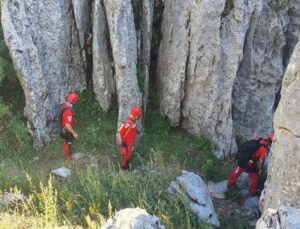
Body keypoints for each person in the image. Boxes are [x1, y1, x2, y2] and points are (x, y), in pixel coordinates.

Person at [119, 106, 142, 170]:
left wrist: (135, 131)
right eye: (138, 116)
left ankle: (127, 164)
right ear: (135, 115)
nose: (139, 117)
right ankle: (123, 167)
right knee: (128, 154)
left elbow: (131, 129)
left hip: (131, 141)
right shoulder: (129, 122)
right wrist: (124, 142)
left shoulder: (133, 120)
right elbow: (121, 132)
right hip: (128, 142)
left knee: (130, 154)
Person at [60, 92, 79, 161]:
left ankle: (68, 155)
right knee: (67, 143)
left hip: (63, 129)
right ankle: (68, 158)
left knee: (67, 142)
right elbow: (67, 125)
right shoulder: (68, 111)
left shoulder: (64, 105)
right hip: (66, 130)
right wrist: (74, 133)